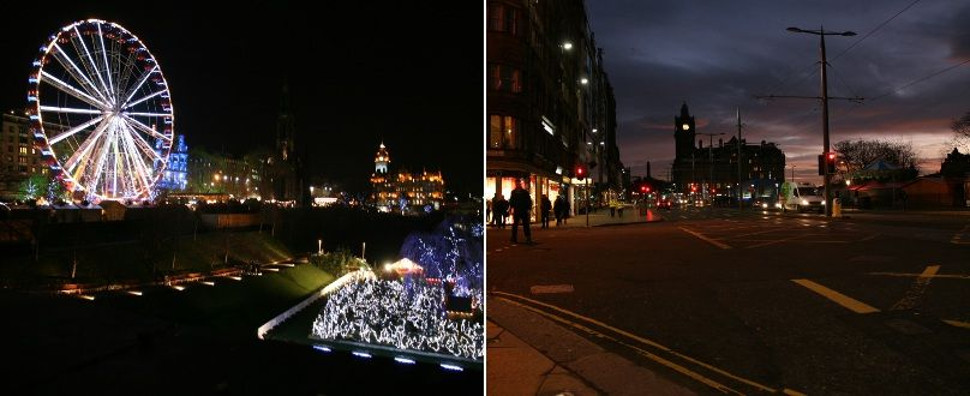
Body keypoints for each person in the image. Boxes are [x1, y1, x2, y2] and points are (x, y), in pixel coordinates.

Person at [508, 178, 533, 244]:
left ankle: (528, 237)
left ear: (520, 184)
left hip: (523, 210)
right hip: (517, 210)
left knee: (525, 224)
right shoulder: (513, 192)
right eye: (516, 183)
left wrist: (528, 208)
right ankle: (514, 237)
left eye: (518, 183)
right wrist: (510, 208)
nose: (517, 185)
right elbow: (512, 200)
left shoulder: (524, 192)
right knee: (515, 225)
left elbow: (528, 201)